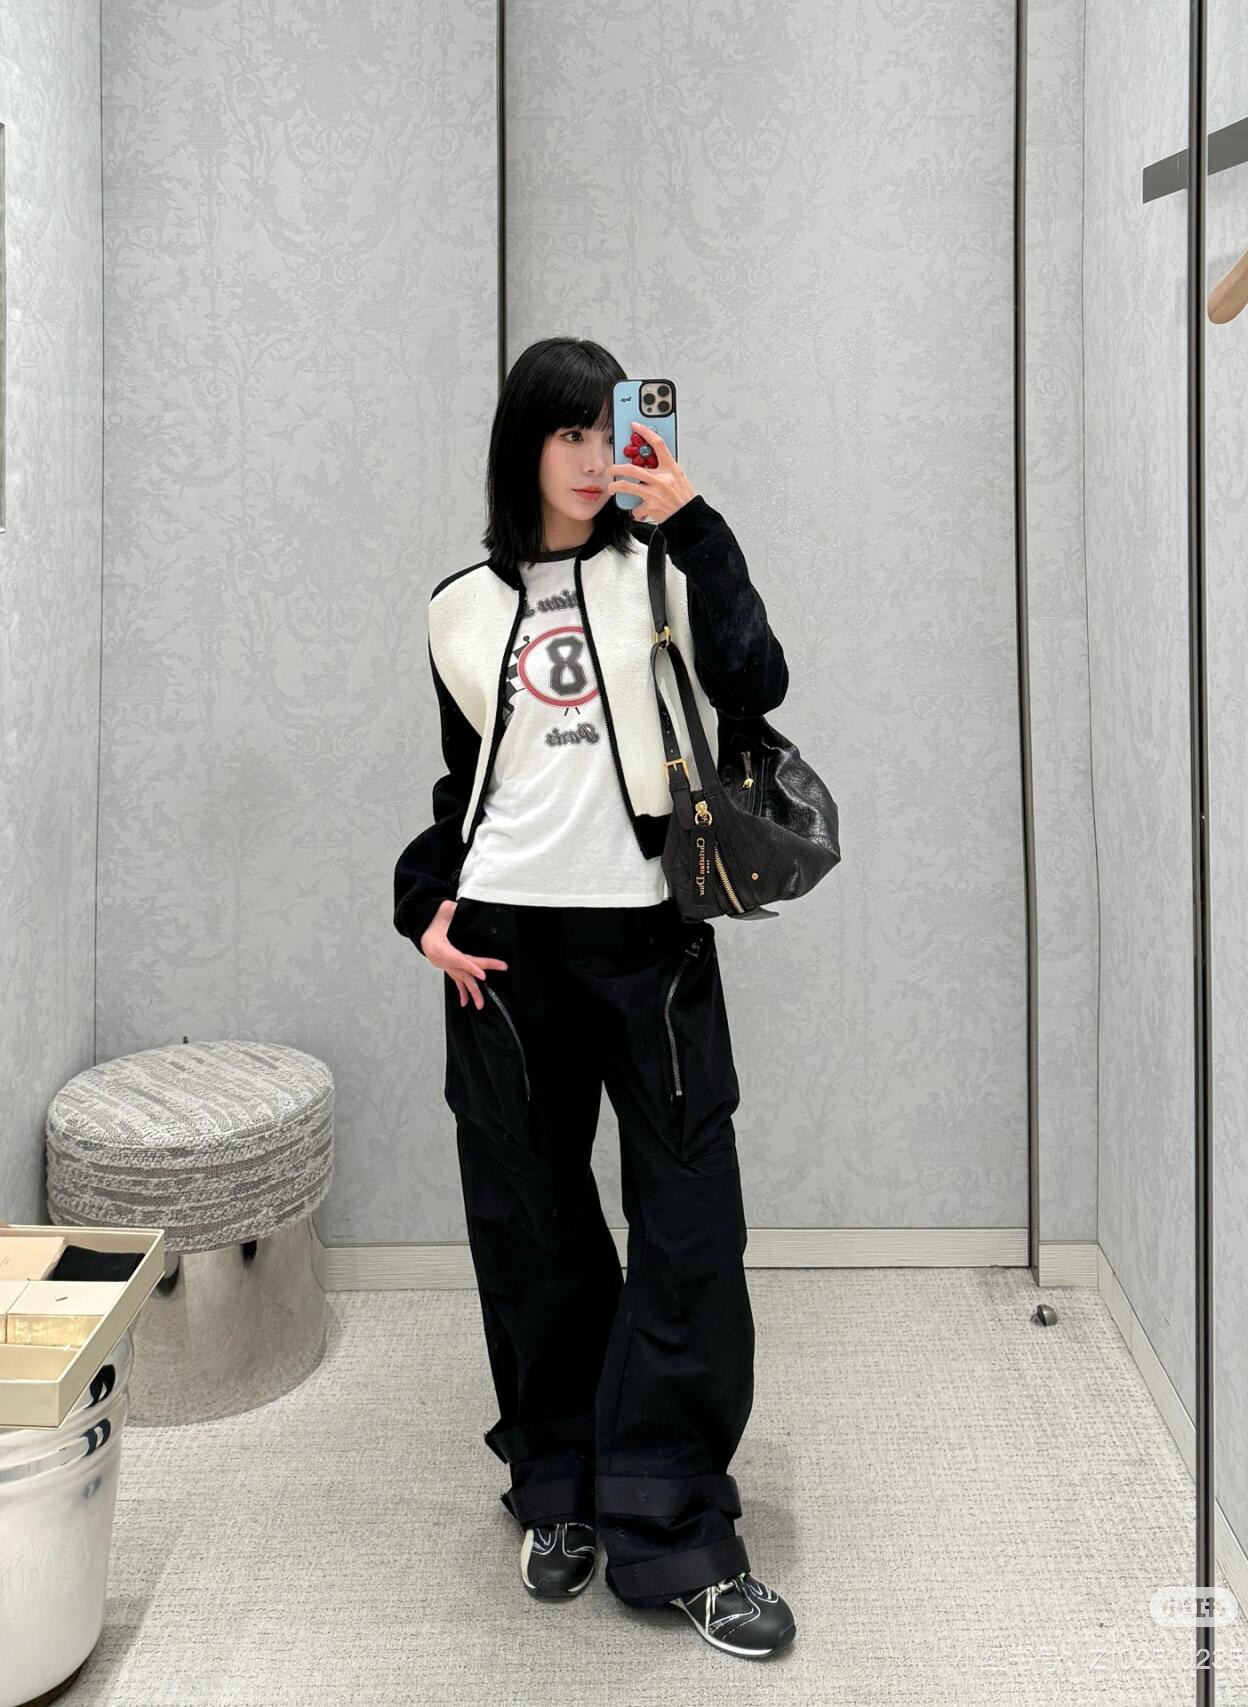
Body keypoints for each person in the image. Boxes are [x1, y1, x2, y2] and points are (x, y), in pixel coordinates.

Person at [393, 336, 796, 1660]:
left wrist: (699, 526)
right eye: (563, 433)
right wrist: (427, 906)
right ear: (521, 446)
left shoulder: (662, 569)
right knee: (533, 1225)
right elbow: (470, 786)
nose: (586, 457)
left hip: (646, 942)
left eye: (603, 430)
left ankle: (671, 1517)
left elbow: (756, 684)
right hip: (505, 949)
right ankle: (560, 1483)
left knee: (689, 1224)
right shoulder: (458, 606)